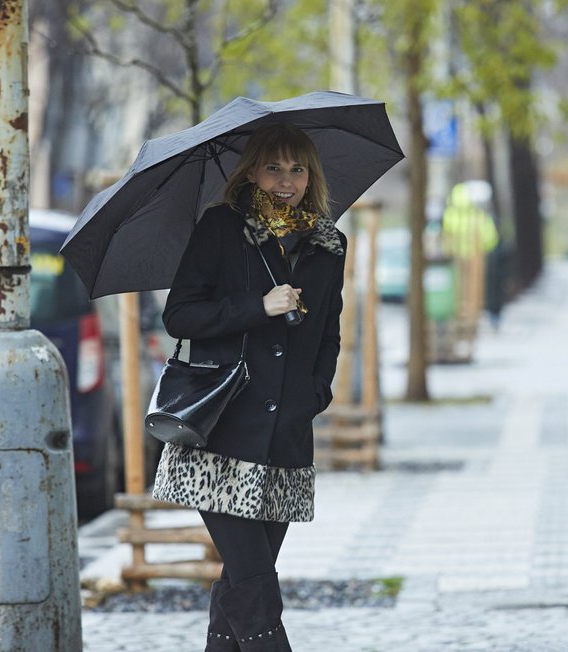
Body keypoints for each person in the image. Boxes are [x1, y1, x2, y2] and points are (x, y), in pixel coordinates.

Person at [152, 123, 346, 651]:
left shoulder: (328, 245)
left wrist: (315, 395)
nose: (287, 180)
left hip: (285, 437)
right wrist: (257, 307)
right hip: (221, 432)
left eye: (298, 168)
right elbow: (180, 315)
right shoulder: (223, 228)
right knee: (256, 581)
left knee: (241, 580)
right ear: (252, 172)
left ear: (312, 175)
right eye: (274, 167)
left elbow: (328, 332)